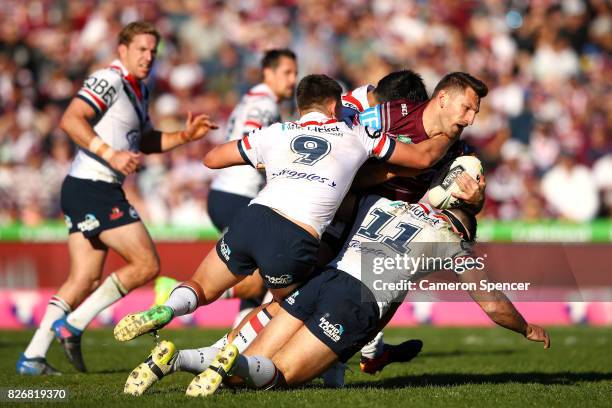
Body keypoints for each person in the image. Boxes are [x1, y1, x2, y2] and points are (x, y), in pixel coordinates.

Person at [113, 74, 458, 343]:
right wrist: (450, 131)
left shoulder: (276, 132)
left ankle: (167, 308)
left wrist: (269, 161)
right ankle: (225, 354)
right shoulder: (357, 134)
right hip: (297, 233)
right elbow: (421, 158)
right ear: (335, 107)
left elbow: (212, 158)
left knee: (202, 286)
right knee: (289, 305)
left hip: (254, 216)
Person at [122, 193, 550, 396]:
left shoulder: (382, 205)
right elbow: (493, 305)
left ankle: (175, 359)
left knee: (245, 372)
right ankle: (225, 357)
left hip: (322, 278)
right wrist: (527, 327)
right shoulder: (454, 243)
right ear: (463, 229)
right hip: (357, 300)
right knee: (279, 376)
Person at [16, 21, 217, 375]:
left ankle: (32, 356)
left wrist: (185, 135)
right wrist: (110, 154)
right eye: (141, 49)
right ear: (122, 50)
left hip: (85, 187)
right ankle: (74, 324)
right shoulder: (109, 79)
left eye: (153, 51)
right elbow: (71, 119)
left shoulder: (138, 90)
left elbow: (145, 140)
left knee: (84, 279)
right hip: (94, 185)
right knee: (146, 265)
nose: (148, 57)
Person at [207, 49, 297, 325]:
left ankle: (235, 345)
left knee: (257, 277)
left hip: (227, 193)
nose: (293, 80)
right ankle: (179, 292)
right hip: (239, 195)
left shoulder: (253, 99)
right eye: (287, 73)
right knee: (264, 278)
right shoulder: (264, 105)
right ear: (267, 73)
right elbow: (250, 144)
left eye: (295, 73)